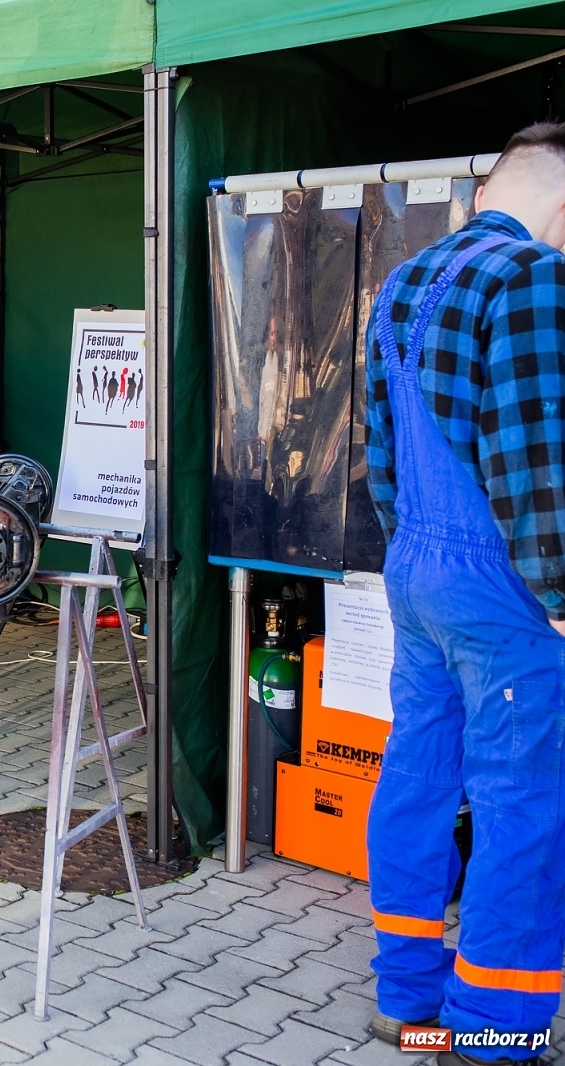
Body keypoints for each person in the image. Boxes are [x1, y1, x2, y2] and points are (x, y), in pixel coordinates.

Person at [363, 122, 565, 1065]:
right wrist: (559, 591)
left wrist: (414, 551)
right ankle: (492, 1033)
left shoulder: (405, 277)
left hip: (416, 566)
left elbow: (381, 452)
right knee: (523, 798)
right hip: (498, 583)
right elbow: (536, 457)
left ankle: (406, 996)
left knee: (417, 773)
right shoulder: (531, 277)